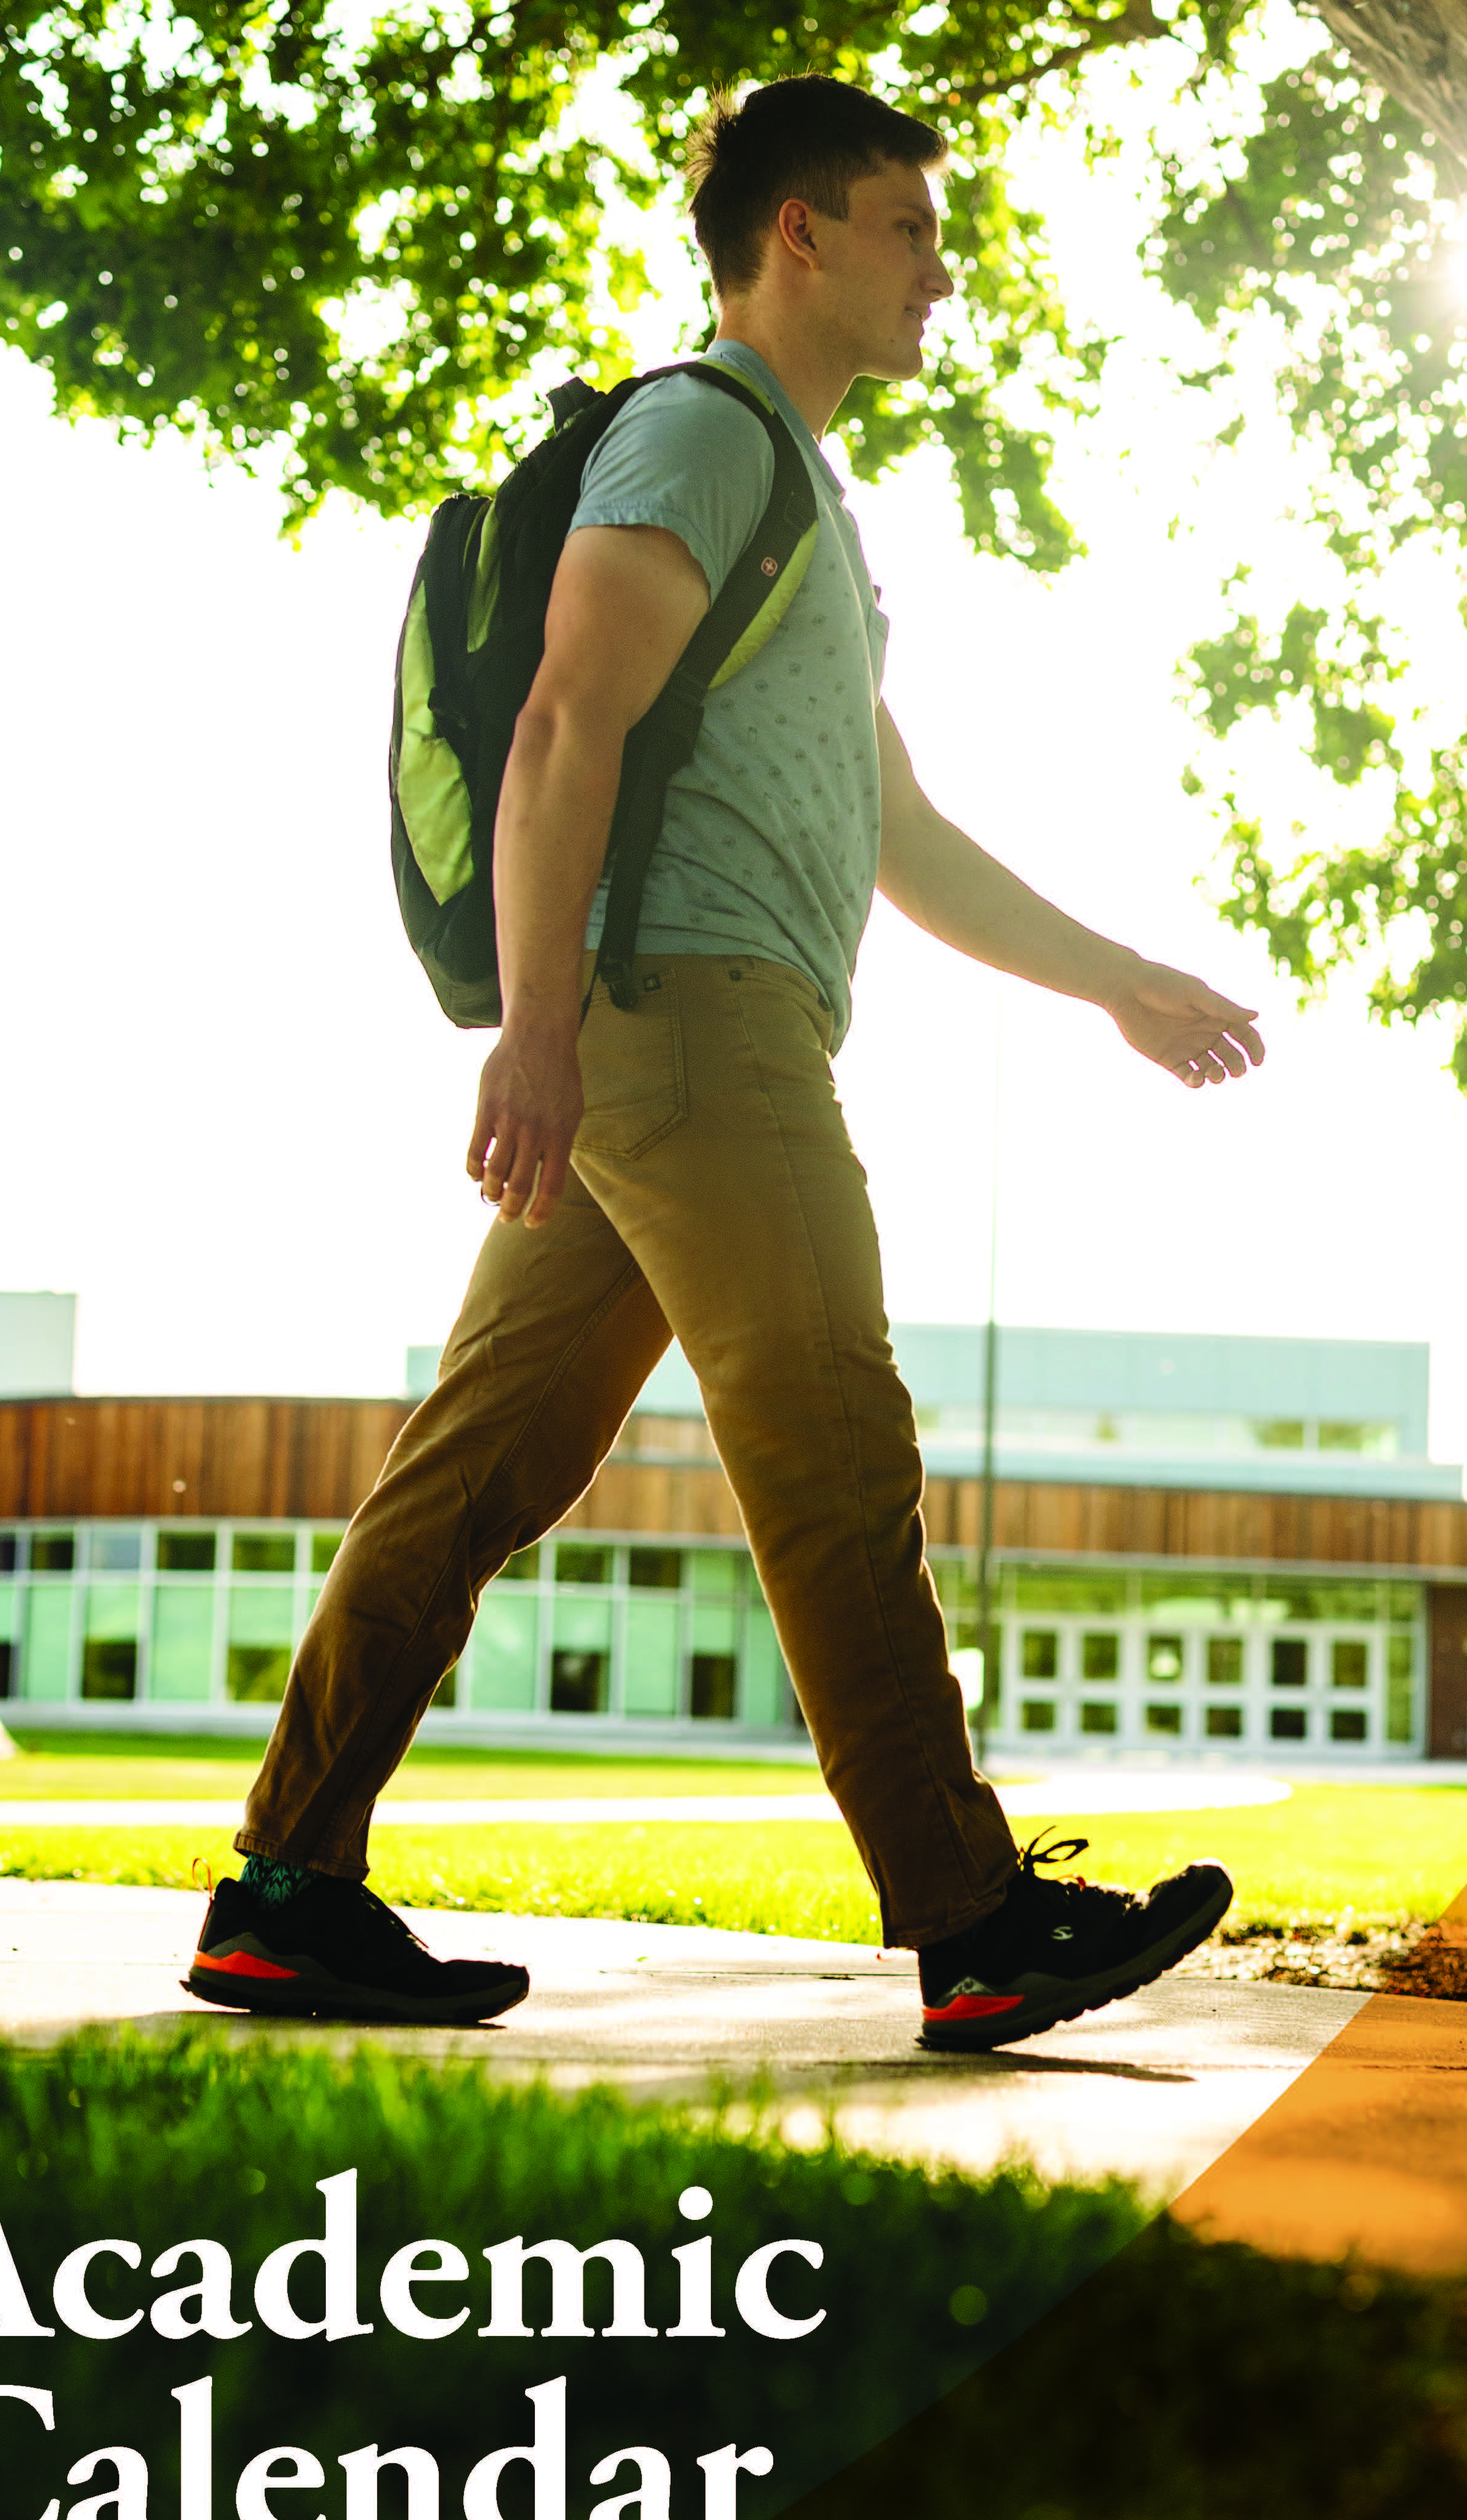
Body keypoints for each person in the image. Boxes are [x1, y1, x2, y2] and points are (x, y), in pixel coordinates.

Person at [184, 74, 1266, 2048]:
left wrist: (1119, 978)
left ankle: (283, 1886)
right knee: (833, 1442)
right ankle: (970, 1914)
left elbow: (899, 831)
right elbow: (563, 724)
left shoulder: (808, 506)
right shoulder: (699, 431)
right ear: (803, 235)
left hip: (661, 1034)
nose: (943, 272)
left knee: (482, 1462)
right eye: (911, 228)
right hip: (689, 1015)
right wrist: (535, 1034)